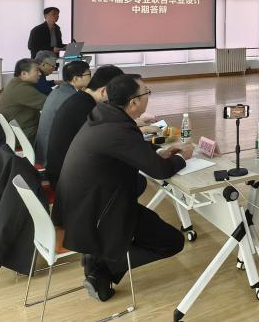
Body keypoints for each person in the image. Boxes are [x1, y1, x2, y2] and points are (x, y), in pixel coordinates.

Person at [54, 74, 193, 302]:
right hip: (98, 213)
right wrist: (182, 157)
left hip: (87, 203)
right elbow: (160, 171)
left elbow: (131, 148)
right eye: (146, 92)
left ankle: (99, 258)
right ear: (134, 102)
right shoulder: (118, 129)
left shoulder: (104, 116)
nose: (148, 96)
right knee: (172, 242)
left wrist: (159, 153)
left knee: (150, 218)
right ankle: (102, 266)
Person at [43, 65, 124, 185]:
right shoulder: (85, 107)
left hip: (61, 170)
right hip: (67, 180)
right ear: (104, 91)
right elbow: (103, 142)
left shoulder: (80, 99)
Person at [35, 60, 91, 165]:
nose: (91, 78)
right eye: (89, 74)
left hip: (43, 152)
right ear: (75, 79)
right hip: (54, 159)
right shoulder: (73, 98)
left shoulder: (58, 91)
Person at [0, 58, 47, 143]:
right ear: (24, 74)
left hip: (16, 132)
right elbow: (50, 104)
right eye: (36, 70)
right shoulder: (22, 89)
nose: (40, 73)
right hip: (24, 135)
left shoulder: (15, 83)